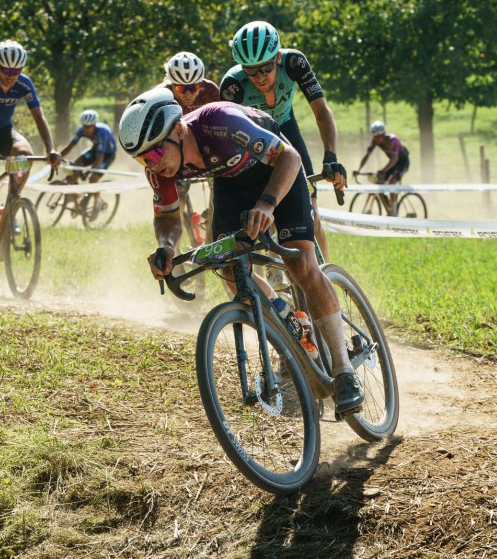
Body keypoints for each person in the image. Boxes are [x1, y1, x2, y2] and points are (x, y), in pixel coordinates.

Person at [120, 86, 364, 417]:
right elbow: (166, 215)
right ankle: (290, 323)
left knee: (301, 265)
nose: (151, 165)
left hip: (279, 172)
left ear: (178, 130)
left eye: (154, 155)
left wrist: (267, 203)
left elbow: (290, 158)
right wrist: (165, 246)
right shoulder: (160, 167)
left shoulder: (220, 122)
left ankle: (344, 370)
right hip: (232, 184)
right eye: (141, 159)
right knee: (230, 271)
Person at [219, 21, 346, 259]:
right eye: (251, 70)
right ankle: (274, 264)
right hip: (253, 139)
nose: (260, 77)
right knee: (266, 205)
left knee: (312, 212)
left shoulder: (294, 63)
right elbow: (229, 138)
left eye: (266, 68)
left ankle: (326, 277)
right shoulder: (233, 85)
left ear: (277, 57)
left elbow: (322, 112)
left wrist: (331, 156)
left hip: (286, 128)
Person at [0, 39, 60, 284]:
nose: (10, 76)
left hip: (5, 133)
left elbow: (39, 117)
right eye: (6, 70)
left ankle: (11, 203)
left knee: (25, 155)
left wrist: (50, 149)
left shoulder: (24, 84)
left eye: (15, 71)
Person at [163, 51, 220, 243]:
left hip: (205, 148)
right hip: (177, 152)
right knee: (176, 194)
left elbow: (221, 124)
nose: (188, 94)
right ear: (171, 84)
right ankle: (175, 244)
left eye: (193, 87)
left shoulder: (211, 91)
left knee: (221, 188)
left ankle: (213, 229)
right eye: (181, 88)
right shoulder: (162, 96)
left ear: (201, 83)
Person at [59, 109, 117, 182]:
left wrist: (87, 173)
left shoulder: (102, 133)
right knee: (76, 165)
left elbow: (99, 158)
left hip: (108, 155)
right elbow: (70, 146)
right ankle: (74, 190)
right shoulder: (81, 130)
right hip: (96, 149)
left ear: (94, 125)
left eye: (89, 127)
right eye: (84, 126)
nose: (86, 129)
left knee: (93, 179)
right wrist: (58, 156)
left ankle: (94, 192)